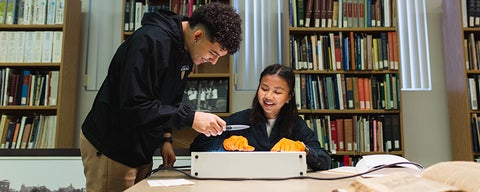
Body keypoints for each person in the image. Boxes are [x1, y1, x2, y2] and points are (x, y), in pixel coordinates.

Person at [80, 2, 242, 191]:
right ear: (197, 35)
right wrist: (191, 118)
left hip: (141, 148)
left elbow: (168, 99)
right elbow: (134, 106)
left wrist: (166, 139)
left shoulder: (186, 49)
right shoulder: (150, 41)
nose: (213, 62)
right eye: (213, 53)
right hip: (113, 145)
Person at [190, 64, 332, 171]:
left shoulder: (296, 124)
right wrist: (223, 145)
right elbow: (196, 146)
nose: (268, 96)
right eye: (264, 89)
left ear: (288, 97)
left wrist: (304, 149)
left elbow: (325, 161)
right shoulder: (240, 119)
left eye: (277, 92)